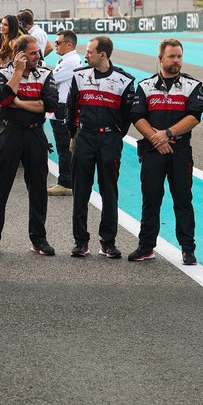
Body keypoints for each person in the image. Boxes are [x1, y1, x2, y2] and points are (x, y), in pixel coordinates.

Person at [0, 35, 59, 256]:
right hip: (9, 132)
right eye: (33, 53)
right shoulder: (1, 73)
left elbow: (51, 104)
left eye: (38, 52)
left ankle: (39, 239)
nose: (39, 56)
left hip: (35, 134)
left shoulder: (45, 73)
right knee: (0, 187)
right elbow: (4, 99)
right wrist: (16, 72)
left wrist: (20, 103)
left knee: (37, 189)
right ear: (21, 54)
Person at [128, 39, 203, 264]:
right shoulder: (145, 85)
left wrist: (167, 134)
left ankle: (188, 248)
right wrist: (156, 138)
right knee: (151, 199)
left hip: (180, 150)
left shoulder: (193, 85)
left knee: (183, 199)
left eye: (179, 56)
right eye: (171, 56)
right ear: (160, 58)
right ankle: (146, 246)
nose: (176, 61)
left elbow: (194, 117)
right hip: (153, 149)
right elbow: (137, 116)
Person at [65, 36, 135, 260]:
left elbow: (127, 117)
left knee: (109, 192)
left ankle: (108, 242)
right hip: (84, 137)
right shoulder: (79, 75)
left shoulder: (124, 80)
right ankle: (80, 241)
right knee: (80, 192)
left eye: (89, 52)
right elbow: (71, 108)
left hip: (109, 139)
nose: (86, 55)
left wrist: (114, 136)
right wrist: (73, 135)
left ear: (102, 54)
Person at [0, 14, 25, 177]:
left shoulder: (14, 43)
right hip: (0, 87)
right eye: (1, 24)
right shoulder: (5, 42)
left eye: (5, 25)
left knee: (0, 125)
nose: (2, 27)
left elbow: (16, 67)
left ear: (12, 27)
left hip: (6, 87)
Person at [47, 30, 80, 195]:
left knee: (64, 146)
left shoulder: (70, 62)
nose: (55, 45)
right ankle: (65, 180)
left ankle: (66, 183)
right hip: (60, 107)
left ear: (69, 44)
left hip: (63, 108)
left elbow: (50, 79)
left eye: (58, 43)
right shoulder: (68, 60)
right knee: (63, 146)